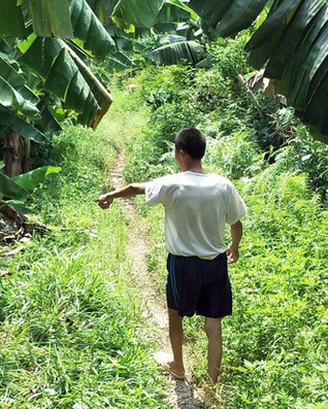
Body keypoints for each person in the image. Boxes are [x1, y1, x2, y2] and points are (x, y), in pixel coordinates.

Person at [95, 127, 246, 384]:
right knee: (213, 326)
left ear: (181, 153)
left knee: (176, 314)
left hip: (182, 264)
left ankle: (178, 365)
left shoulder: (172, 183)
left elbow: (135, 188)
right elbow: (236, 223)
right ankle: (212, 385)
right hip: (215, 264)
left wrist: (110, 195)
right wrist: (235, 246)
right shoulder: (223, 185)